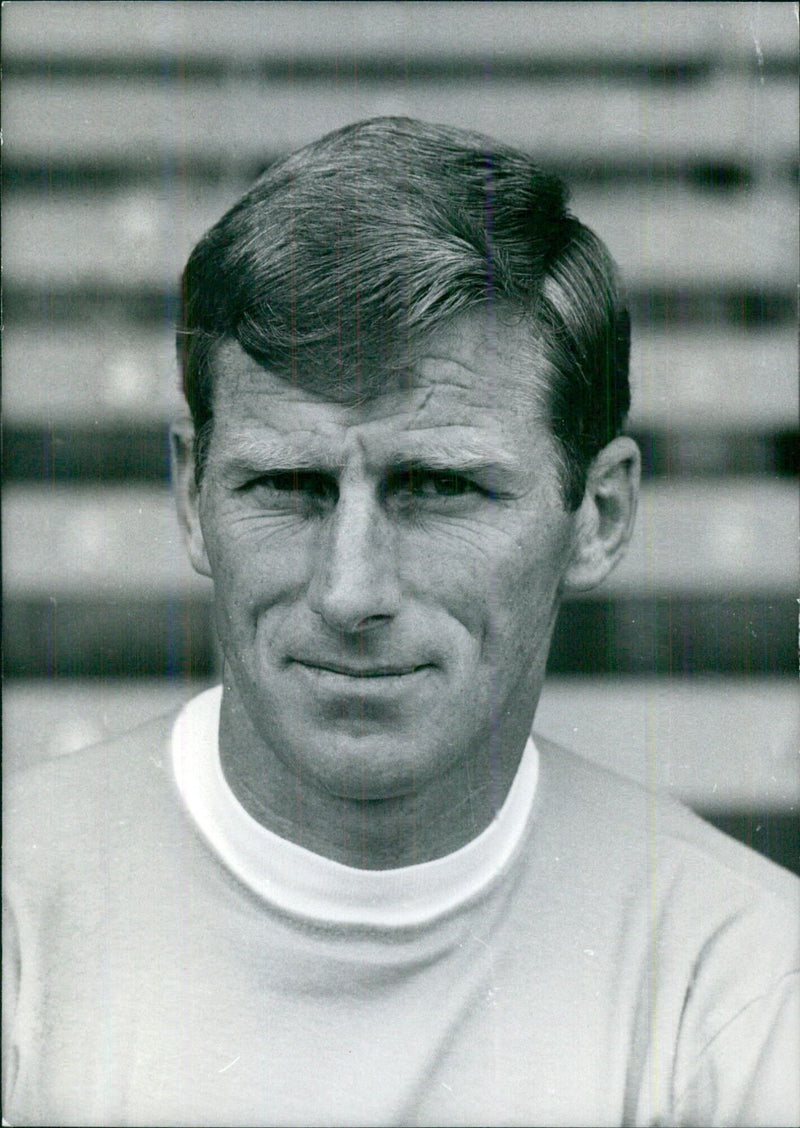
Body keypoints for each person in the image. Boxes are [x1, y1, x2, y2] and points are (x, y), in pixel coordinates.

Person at [3, 117, 798, 1127]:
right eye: (287, 485)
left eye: (435, 487)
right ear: (187, 494)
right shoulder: (20, 927)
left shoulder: (738, 985)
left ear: (597, 516)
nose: (349, 592)